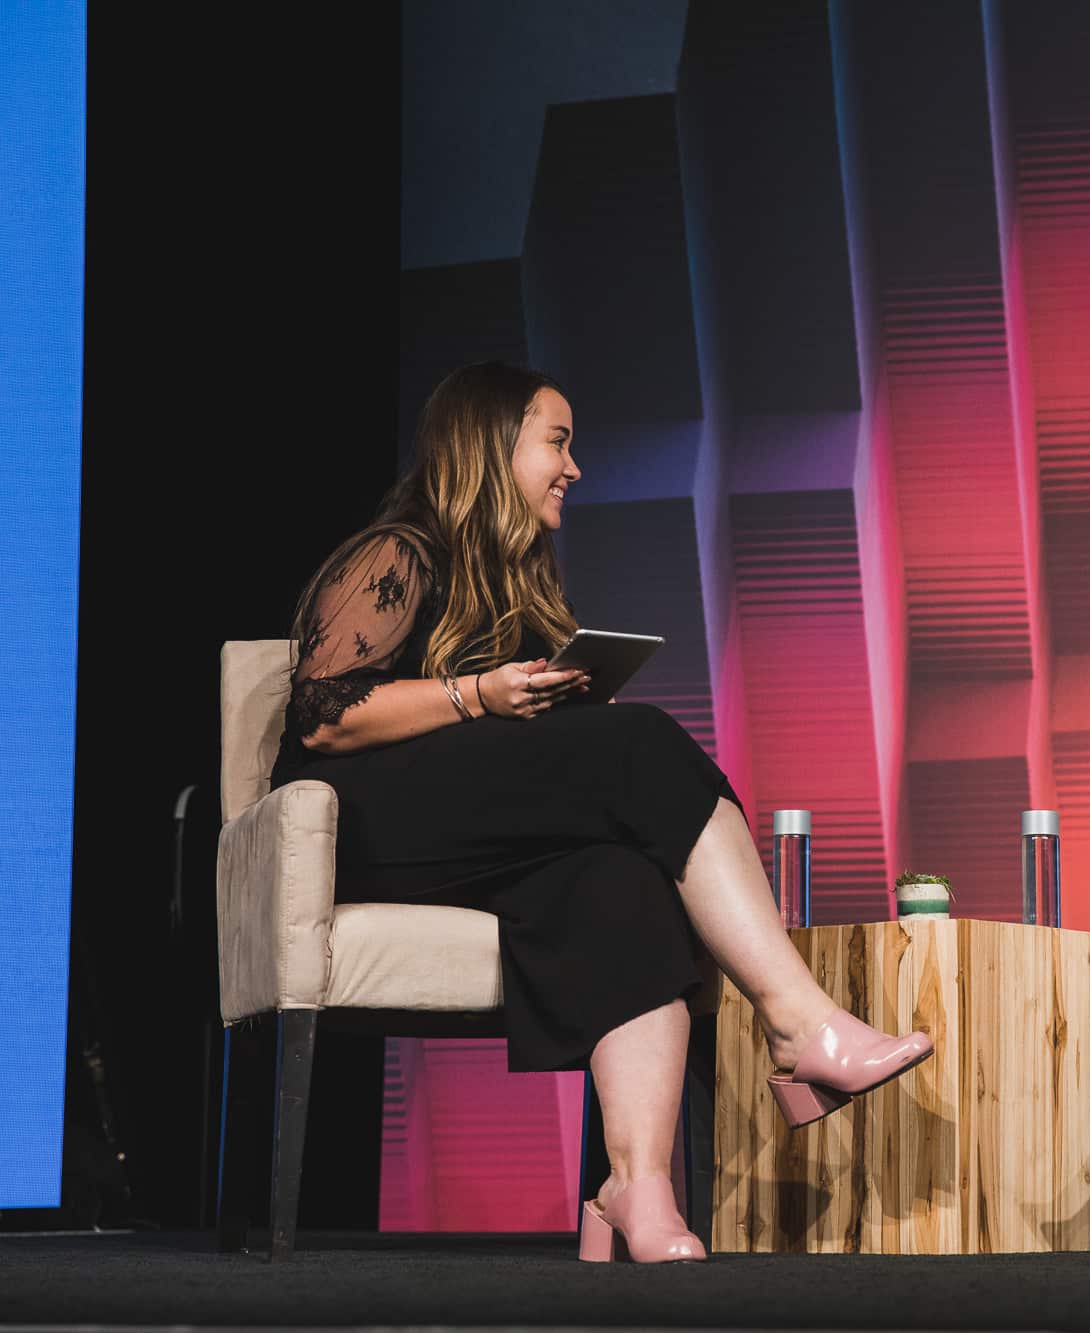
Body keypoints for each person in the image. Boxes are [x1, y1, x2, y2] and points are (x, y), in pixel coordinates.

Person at [272, 362, 931, 1264]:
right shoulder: (400, 552)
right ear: (491, 448)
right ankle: (797, 1020)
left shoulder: (523, 584)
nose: (573, 467)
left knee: (627, 882)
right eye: (558, 441)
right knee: (644, 746)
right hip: (370, 829)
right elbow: (321, 714)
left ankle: (636, 1187)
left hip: (478, 835)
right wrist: (478, 696)